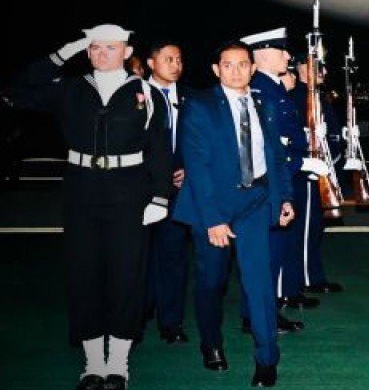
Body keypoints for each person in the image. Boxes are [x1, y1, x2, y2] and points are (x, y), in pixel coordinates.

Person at [4, 24, 173, 390]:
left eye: (110, 48)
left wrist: (160, 197)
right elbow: (16, 89)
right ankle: (93, 363)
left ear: (127, 52)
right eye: (94, 48)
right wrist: (62, 54)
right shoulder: (70, 89)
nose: (101, 54)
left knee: (127, 276)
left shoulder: (146, 92)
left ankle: (119, 364)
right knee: (84, 275)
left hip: (130, 193)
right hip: (81, 191)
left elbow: (160, 149)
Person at [173, 40, 296, 388]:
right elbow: (197, 166)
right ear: (216, 70)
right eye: (228, 65)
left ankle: (266, 358)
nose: (236, 71)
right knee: (212, 282)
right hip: (213, 206)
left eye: (243, 64)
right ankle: (211, 344)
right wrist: (213, 218)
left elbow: (274, 155)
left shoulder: (262, 102)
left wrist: (284, 197)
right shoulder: (199, 106)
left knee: (258, 283)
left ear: (253, 68)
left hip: (255, 202)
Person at [241, 28, 311, 330]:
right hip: (270, 183)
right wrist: (300, 160)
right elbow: (268, 144)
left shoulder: (273, 87)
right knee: (266, 254)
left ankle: (262, 314)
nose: (287, 57)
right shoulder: (260, 88)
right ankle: (258, 316)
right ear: (265, 54)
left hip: (283, 177)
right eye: (283, 51)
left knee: (274, 252)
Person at [142, 40, 192, 345]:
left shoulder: (190, 98)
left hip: (178, 191)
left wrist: (188, 168)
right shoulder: (132, 94)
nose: (176, 64)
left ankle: (170, 322)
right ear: (151, 62)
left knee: (173, 254)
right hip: (140, 191)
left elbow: (200, 140)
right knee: (138, 255)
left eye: (179, 59)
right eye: (169, 58)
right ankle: (138, 312)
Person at [288, 60, 345, 295]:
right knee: (306, 229)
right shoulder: (299, 96)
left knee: (315, 228)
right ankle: (307, 278)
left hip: (322, 168)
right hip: (307, 173)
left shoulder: (316, 96)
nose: (323, 71)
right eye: (317, 66)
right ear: (302, 68)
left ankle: (312, 273)